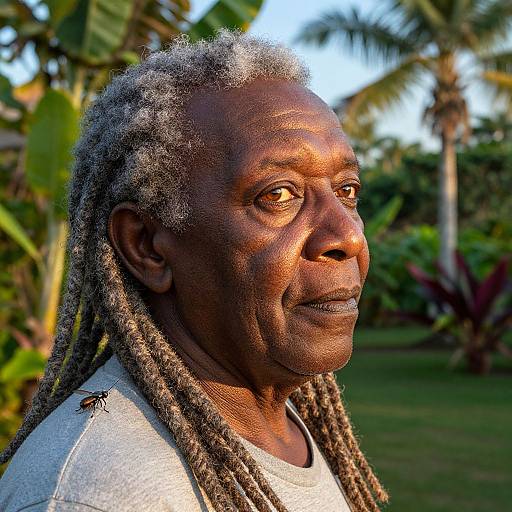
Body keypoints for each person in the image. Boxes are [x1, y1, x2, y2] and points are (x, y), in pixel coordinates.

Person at [0, 31, 389, 512]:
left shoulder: (278, 425)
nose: (347, 236)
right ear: (146, 247)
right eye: (278, 195)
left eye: (346, 190)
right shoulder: (98, 493)